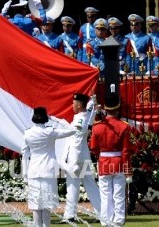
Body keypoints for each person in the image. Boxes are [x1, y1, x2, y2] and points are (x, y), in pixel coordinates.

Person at [21, 107, 76, 227]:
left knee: (36, 205)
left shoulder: (28, 133)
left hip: (33, 171)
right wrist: (57, 119)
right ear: (45, 117)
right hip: (48, 170)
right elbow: (72, 130)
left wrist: (25, 174)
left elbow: (24, 155)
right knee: (46, 205)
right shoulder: (50, 131)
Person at [90, 91, 133, 227]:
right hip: (119, 163)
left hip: (103, 163)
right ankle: (118, 221)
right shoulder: (124, 126)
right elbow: (126, 152)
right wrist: (128, 171)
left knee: (105, 195)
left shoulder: (97, 127)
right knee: (119, 195)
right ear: (118, 107)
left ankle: (106, 221)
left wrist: (100, 156)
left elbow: (93, 147)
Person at [60, 93, 101, 223]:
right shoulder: (85, 116)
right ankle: (102, 213)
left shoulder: (79, 120)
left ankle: (69, 215)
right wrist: (93, 100)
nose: (72, 105)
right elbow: (91, 109)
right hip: (83, 157)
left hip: (76, 158)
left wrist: (74, 162)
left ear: (78, 105)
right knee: (91, 186)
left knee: (72, 186)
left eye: (73, 103)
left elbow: (76, 142)